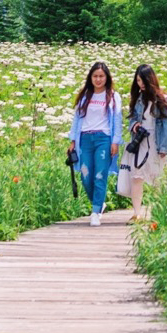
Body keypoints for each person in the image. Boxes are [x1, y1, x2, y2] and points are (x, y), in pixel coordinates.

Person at [119, 63, 167, 221]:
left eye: (143, 80)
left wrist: (165, 148)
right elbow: (132, 119)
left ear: (151, 79)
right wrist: (134, 126)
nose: (141, 84)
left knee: (159, 178)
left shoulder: (162, 99)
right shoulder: (138, 99)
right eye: (138, 81)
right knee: (136, 177)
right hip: (141, 142)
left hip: (158, 142)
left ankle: (160, 212)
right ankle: (137, 213)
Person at [66, 61, 121, 226]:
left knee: (100, 175)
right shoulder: (84, 96)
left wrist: (115, 142)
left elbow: (117, 120)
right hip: (85, 139)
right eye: (95, 76)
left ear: (107, 78)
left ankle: (95, 211)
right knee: (85, 175)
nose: (98, 79)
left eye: (101, 76)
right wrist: (72, 140)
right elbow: (76, 119)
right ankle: (99, 202)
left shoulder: (113, 96)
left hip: (104, 138)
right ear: (90, 78)